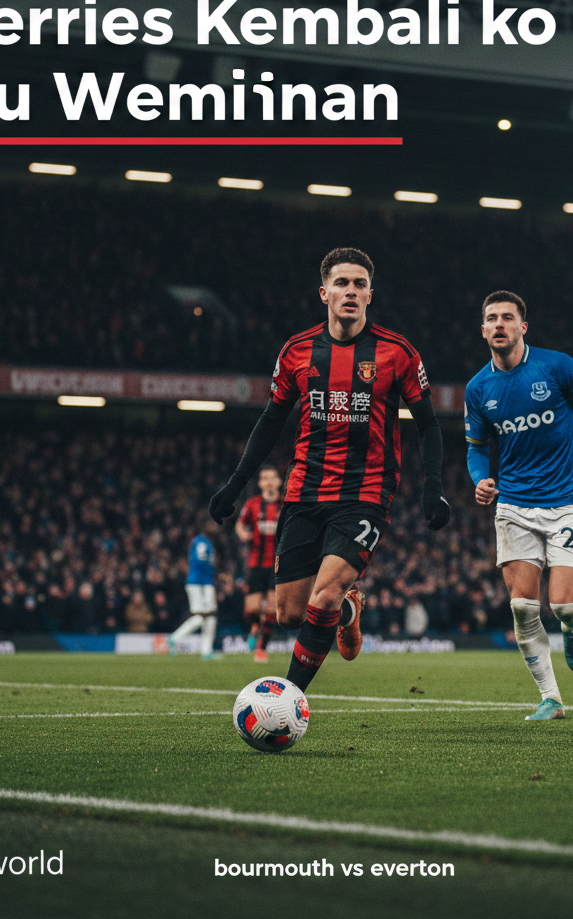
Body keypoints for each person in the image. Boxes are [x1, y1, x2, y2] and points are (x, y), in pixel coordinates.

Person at [209, 247, 449, 691]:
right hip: (304, 491)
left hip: (367, 492)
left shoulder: (397, 353)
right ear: (324, 293)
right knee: (289, 615)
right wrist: (235, 484)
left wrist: (433, 484)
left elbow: (429, 424)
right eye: (342, 283)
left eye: (360, 284)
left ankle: (288, 699)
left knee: (324, 596)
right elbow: (270, 422)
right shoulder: (297, 351)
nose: (351, 291)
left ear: (371, 294)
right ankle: (350, 609)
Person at [465, 292, 573, 720]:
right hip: (515, 505)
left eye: (507, 317)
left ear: (524, 326)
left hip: (567, 502)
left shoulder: (556, 366)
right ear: (483, 330)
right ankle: (551, 698)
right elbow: (475, 448)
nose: (499, 324)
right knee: (522, 607)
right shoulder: (477, 389)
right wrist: (480, 479)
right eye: (491, 318)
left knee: (563, 606)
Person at [235, 466, 283, 663]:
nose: (269, 481)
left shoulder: (286, 504)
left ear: (279, 482)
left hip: (278, 564)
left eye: (272, 478)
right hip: (256, 563)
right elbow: (240, 524)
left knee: (272, 607)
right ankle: (255, 626)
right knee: (252, 611)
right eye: (265, 478)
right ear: (261, 483)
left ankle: (262, 649)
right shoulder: (253, 504)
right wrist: (243, 533)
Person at [168, 525, 220, 659]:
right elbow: (201, 561)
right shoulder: (201, 542)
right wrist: (214, 573)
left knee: (211, 615)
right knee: (201, 616)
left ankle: (206, 651)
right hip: (199, 583)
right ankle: (174, 638)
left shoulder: (203, 542)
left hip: (204, 582)